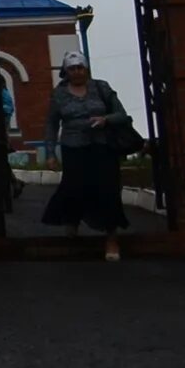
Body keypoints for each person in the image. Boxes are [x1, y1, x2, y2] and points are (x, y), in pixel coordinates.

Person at [42, 57, 132, 259]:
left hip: (102, 146)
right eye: (72, 68)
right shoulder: (59, 94)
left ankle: (111, 239)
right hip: (73, 147)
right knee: (74, 187)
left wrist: (105, 119)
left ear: (87, 69)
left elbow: (122, 114)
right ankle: (72, 222)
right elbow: (52, 124)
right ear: (66, 71)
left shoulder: (101, 88)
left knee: (108, 190)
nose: (77, 72)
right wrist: (50, 153)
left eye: (80, 67)